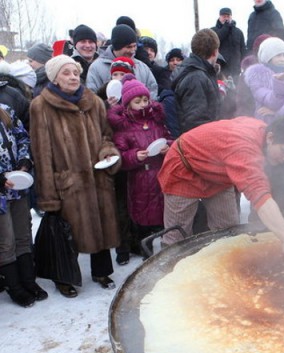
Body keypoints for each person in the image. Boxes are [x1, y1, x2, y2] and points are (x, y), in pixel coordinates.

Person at [30, 55, 121, 297]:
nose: (72, 77)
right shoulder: (41, 106)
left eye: (75, 72)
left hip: (98, 178)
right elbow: (41, 153)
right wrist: (49, 194)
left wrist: (108, 152)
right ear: (54, 77)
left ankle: (102, 271)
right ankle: (64, 277)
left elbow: (106, 135)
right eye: (65, 73)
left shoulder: (94, 102)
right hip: (68, 182)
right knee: (67, 233)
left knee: (100, 225)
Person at [157, 116, 284, 262]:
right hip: (184, 167)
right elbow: (260, 197)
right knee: (176, 236)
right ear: (271, 138)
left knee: (228, 229)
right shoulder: (243, 147)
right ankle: (166, 272)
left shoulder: (263, 134)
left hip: (218, 173)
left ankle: (226, 270)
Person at [107, 75, 172, 260]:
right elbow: (120, 155)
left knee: (164, 216)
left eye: (145, 100)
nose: (143, 104)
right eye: (138, 101)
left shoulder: (156, 120)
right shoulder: (123, 127)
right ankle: (147, 255)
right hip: (140, 180)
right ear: (127, 104)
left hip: (161, 175)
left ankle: (166, 252)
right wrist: (134, 156)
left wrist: (167, 145)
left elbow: (168, 137)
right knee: (143, 218)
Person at [243, 37, 284, 218]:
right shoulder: (258, 76)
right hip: (266, 141)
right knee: (262, 187)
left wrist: (279, 113)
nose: (282, 58)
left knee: (282, 188)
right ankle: (256, 229)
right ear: (267, 57)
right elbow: (270, 100)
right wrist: (280, 84)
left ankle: (283, 225)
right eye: (278, 54)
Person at [0, 104, 48, 307]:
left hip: (17, 186)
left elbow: (22, 137)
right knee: (6, 240)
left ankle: (29, 281)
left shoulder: (5, 110)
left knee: (23, 234)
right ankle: (14, 287)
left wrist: (25, 161)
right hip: (1, 192)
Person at [87, 24, 158, 100]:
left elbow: (152, 91)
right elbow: (92, 98)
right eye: (129, 47)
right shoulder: (96, 68)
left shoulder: (142, 67)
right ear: (117, 47)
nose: (132, 51)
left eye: (134, 46)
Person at [172, 29, 221, 134]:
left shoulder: (201, 72)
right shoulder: (196, 78)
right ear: (214, 52)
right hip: (202, 142)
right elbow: (196, 123)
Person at [213, 7, 246, 80]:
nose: (226, 18)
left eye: (228, 16)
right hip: (220, 70)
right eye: (224, 16)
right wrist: (226, 27)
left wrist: (244, 65)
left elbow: (243, 49)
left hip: (235, 70)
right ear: (219, 17)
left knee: (235, 90)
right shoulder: (213, 31)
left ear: (231, 17)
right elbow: (217, 40)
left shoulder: (238, 32)